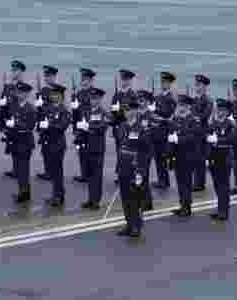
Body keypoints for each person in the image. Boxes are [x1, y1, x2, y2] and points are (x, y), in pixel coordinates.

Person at [114, 98, 150, 237]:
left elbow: (145, 152)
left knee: (135, 198)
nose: (127, 112)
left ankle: (136, 226)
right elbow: (121, 147)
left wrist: (141, 171)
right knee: (125, 199)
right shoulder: (122, 126)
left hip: (135, 167)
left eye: (130, 110)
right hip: (123, 166)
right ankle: (129, 224)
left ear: (135, 111)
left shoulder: (142, 128)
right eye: (126, 110)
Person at [168, 94, 202, 217]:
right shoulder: (176, 118)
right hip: (177, 155)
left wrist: (178, 139)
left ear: (188, 106)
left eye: (182, 105)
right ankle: (182, 204)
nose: (180, 107)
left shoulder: (193, 119)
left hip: (189, 155)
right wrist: (170, 155)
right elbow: (171, 133)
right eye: (179, 105)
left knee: (186, 182)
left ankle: (187, 207)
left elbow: (193, 137)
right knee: (179, 181)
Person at [38, 83, 70, 207]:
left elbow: (62, 127)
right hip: (47, 144)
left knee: (57, 171)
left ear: (61, 96)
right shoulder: (47, 109)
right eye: (52, 94)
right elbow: (40, 121)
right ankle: (56, 193)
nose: (53, 96)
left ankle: (58, 195)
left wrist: (49, 126)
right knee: (51, 171)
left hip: (57, 145)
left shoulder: (64, 111)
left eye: (56, 94)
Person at [76, 86, 108, 209]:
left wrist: (88, 127)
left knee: (97, 175)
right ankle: (90, 198)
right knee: (89, 175)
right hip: (87, 147)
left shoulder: (103, 112)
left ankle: (96, 201)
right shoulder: (86, 111)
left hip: (97, 148)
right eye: (91, 98)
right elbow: (81, 127)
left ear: (100, 99)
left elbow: (102, 127)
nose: (93, 100)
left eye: (95, 98)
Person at [7, 81, 37, 204]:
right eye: (18, 92)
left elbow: (30, 126)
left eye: (23, 92)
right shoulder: (14, 106)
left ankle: (24, 193)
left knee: (23, 168)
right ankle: (23, 191)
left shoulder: (30, 108)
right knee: (18, 169)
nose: (20, 94)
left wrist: (16, 124)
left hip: (25, 142)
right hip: (15, 141)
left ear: (27, 94)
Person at [207, 98, 236, 220]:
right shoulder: (213, 123)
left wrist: (218, 140)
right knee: (217, 185)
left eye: (223, 110)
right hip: (214, 157)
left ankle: (224, 211)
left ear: (227, 111)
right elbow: (207, 139)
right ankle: (220, 208)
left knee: (224, 186)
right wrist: (206, 157)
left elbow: (231, 139)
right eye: (219, 109)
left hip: (225, 157)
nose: (220, 112)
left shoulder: (230, 124)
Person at [152, 71, 177, 189]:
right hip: (156, 131)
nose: (163, 84)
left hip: (164, 130)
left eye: (166, 82)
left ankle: (164, 181)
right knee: (157, 157)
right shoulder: (158, 96)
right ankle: (160, 179)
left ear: (170, 84)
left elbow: (168, 114)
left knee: (162, 157)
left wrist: (156, 111)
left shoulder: (171, 98)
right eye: (162, 82)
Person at [71, 68, 96, 183]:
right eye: (82, 79)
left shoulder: (94, 93)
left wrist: (89, 124)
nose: (83, 81)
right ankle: (84, 174)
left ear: (90, 80)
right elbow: (75, 113)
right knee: (81, 150)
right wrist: (75, 128)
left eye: (85, 79)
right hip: (80, 127)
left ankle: (91, 174)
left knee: (90, 152)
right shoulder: (79, 93)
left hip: (90, 127)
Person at [192, 74, 213, 191]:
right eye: (196, 85)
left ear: (205, 87)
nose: (197, 87)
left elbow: (205, 115)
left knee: (200, 158)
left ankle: (200, 183)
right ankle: (197, 181)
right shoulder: (194, 99)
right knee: (195, 158)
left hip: (201, 133)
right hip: (194, 132)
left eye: (199, 85)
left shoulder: (207, 100)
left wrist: (195, 117)